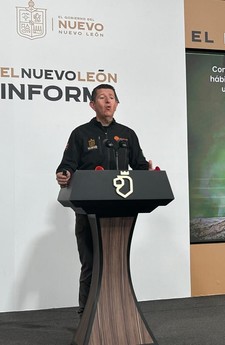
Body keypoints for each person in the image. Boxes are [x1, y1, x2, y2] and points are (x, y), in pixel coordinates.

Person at [56, 84, 153, 316]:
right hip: (88, 209)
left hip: (121, 209)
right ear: (92, 104)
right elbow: (67, 164)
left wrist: (148, 172)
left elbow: (139, 165)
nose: (108, 101)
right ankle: (87, 315)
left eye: (112, 98)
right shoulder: (80, 134)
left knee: (116, 264)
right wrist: (64, 174)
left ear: (117, 104)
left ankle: (118, 314)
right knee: (90, 264)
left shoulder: (128, 134)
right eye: (102, 97)